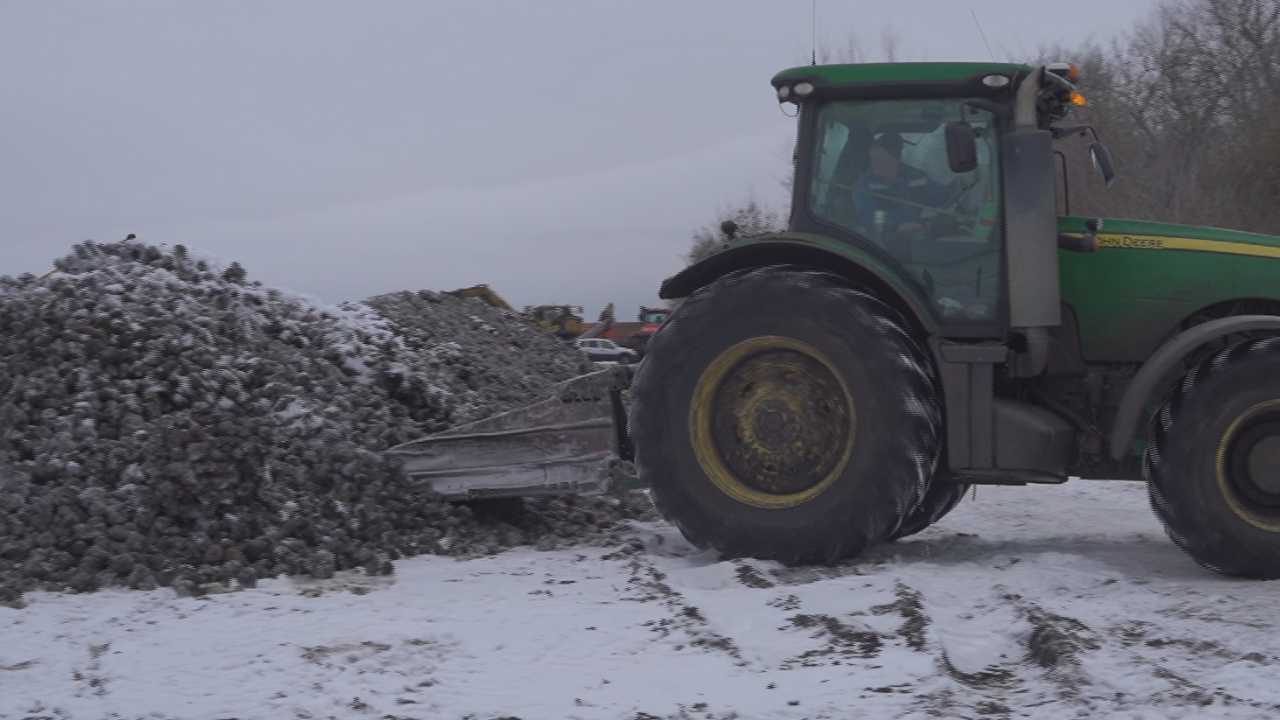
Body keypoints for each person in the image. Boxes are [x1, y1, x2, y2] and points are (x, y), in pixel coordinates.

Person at [851, 132, 968, 240]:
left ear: (894, 159)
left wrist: (959, 184)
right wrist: (897, 227)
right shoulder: (865, 185)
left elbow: (941, 198)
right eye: (872, 158)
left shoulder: (917, 178)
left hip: (918, 239)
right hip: (884, 244)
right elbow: (866, 216)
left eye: (879, 158)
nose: (873, 163)